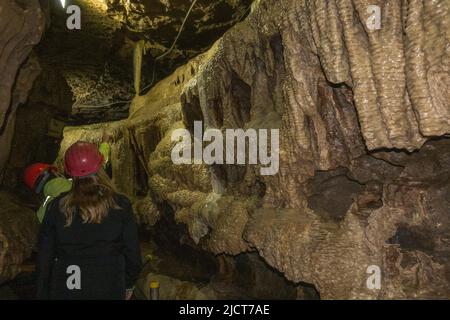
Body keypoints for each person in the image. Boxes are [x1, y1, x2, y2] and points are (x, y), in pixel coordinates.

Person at [36, 141, 142, 300]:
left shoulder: (56, 207)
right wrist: (128, 284)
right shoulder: (120, 205)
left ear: (69, 171)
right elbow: (132, 253)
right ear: (100, 166)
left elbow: (45, 258)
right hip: (109, 284)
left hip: (68, 286)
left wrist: (42, 294)